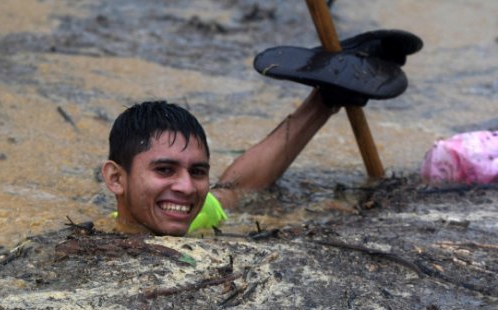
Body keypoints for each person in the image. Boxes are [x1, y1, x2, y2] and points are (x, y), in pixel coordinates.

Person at [101, 30, 423, 236]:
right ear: (116, 179)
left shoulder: (181, 214)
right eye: (164, 169)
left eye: (198, 172)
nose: (187, 188)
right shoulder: (96, 247)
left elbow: (236, 189)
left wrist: (323, 103)